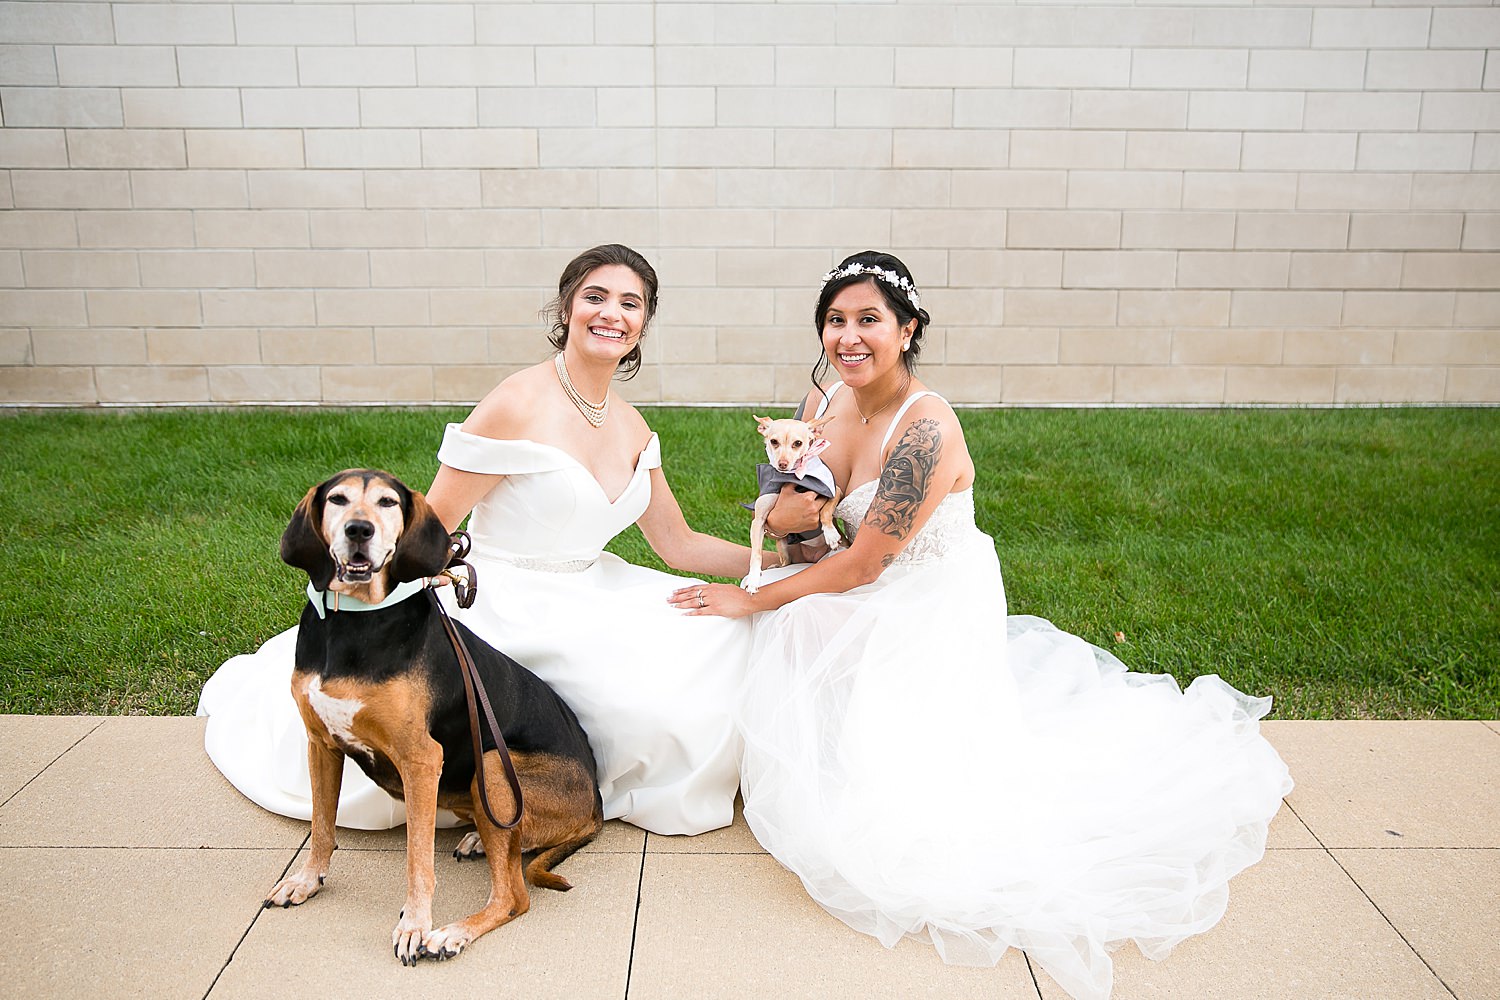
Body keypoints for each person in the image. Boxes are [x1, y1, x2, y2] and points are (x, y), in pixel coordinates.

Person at [668, 251, 1293, 1000]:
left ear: (908, 329)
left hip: (923, 596)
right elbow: (807, 513)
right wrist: (791, 528)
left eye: (870, 319)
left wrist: (756, 594)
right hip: (860, 574)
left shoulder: (926, 429)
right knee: (776, 624)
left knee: (782, 625)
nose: (849, 336)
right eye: (836, 320)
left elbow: (866, 564)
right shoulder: (826, 397)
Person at [200, 244, 767, 836]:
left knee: (728, 634)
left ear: (645, 321)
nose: (612, 314)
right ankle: (553, 793)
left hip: (595, 584)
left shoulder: (631, 423)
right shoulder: (515, 404)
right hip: (501, 598)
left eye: (631, 303)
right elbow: (429, 526)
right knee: (644, 707)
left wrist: (780, 560)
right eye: (595, 297)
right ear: (566, 308)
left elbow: (678, 545)